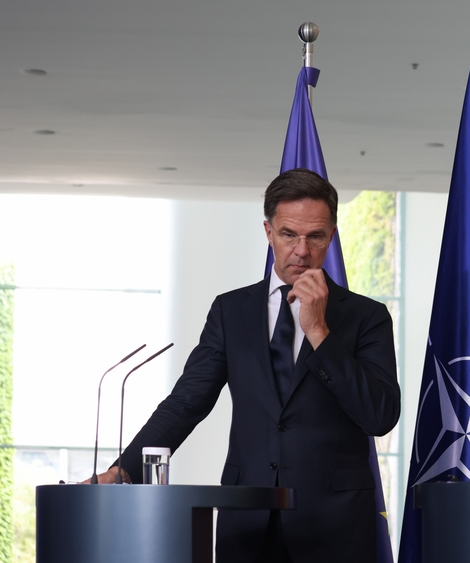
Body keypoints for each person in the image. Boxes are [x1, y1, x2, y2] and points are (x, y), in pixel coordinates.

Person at [91, 168, 400, 563]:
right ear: (268, 232)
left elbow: (380, 416)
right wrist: (125, 469)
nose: (301, 251)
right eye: (289, 235)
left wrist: (319, 332)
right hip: (247, 523)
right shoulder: (230, 311)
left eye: (315, 237)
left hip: (335, 526)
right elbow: (186, 402)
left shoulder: (366, 316)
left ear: (332, 236)